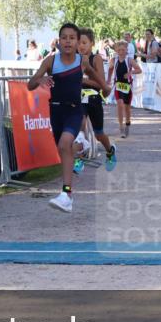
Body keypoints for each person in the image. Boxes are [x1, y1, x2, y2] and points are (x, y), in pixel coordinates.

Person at [27, 23, 111, 213]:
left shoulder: (82, 61)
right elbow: (30, 85)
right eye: (64, 37)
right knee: (65, 149)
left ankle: (66, 195)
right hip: (56, 112)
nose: (68, 41)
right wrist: (40, 80)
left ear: (77, 41)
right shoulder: (50, 61)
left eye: (72, 38)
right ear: (59, 41)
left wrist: (104, 87)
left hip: (75, 110)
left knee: (64, 145)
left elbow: (93, 74)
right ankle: (82, 146)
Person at [77, 28, 118, 173]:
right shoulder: (74, 59)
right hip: (79, 98)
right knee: (79, 126)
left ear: (92, 44)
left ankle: (110, 150)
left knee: (98, 134)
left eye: (84, 42)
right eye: (78, 42)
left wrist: (82, 79)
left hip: (94, 98)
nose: (81, 46)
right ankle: (79, 158)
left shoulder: (96, 59)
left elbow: (101, 84)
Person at [109, 39, 142, 138]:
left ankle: (127, 123)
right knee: (119, 104)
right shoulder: (113, 60)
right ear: (116, 51)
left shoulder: (129, 60)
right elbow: (110, 69)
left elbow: (139, 70)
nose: (121, 52)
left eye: (123, 50)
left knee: (127, 107)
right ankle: (121, 127)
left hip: (127, 86)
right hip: (118, 85)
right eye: (119, 50)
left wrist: (130, 73)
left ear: (126, 50)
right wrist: (107, 80)